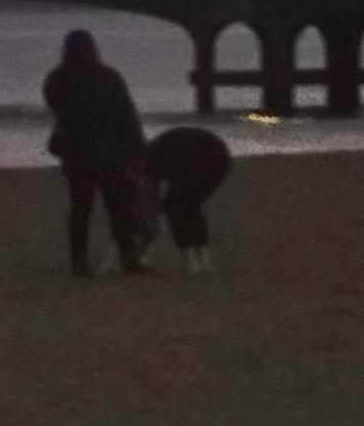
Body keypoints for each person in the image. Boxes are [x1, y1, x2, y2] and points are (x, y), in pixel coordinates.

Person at [42, 29, 153, 276]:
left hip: (76, 153)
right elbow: (126, 115)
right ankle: (129, 258)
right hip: (109, 151)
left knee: (81, 207)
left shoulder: (57, 79)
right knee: (118, 206)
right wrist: (137, 149)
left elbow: (58, 111)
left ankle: (79, 261)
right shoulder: (108, 77)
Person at [143, 124, 234, 272]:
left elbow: (157, 196)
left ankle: (190, 256)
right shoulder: (159, 148)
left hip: (205, 158)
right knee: (191, 204)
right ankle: (203, 256)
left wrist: (157, 209)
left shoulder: (152, 160)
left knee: (175, 206)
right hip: (219, 157)